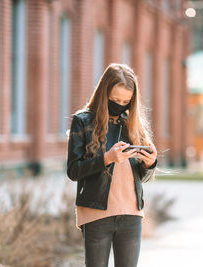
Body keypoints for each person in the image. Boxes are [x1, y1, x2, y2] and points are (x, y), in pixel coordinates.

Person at [66, 63, 158, 267]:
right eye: (116, 100)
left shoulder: (133, 124)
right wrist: (107, 158)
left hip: (131, 215)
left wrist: (150, 164)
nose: (121, 105)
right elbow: (73, 170)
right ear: (103, 94)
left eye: (126, 102)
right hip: (96, 213)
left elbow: (140, 177)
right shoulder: (82, 121)